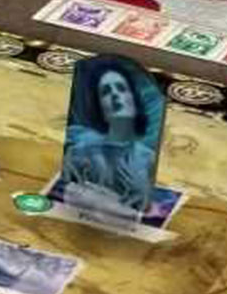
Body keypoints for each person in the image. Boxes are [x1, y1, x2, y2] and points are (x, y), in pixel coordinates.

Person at [59, 57, 161, 221]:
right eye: (106, 91)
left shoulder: (148, 160)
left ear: (133, 99)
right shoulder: (81, 151)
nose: (115, 95)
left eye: (121, 89)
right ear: (101, 107)